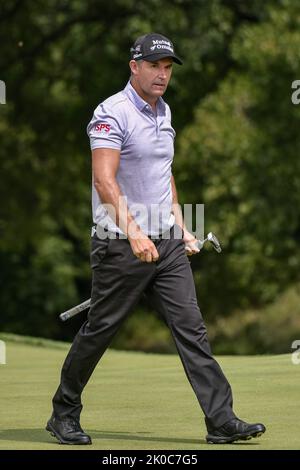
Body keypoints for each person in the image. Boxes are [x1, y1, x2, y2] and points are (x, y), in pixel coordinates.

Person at [46, 33, 266, 445]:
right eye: (154, 66)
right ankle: (64, 412)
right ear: (134, 66)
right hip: (118, 244)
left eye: (167, 68)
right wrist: (134, 235)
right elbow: (104, 180)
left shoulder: (164, 112)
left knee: (192, 328)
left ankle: (221, 420)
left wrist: (180, 227)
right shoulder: (111, 113)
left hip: (164, 244)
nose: (162, 75)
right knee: (100, 330)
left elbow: (164, 175)